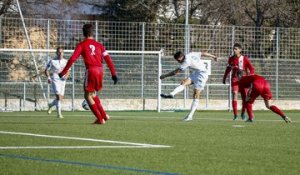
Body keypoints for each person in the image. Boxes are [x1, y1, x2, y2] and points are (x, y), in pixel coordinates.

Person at [59, 24, 118, 125]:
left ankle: (100, 119)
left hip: (91, 70)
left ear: (83, 33)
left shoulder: (81, 45)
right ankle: (104, 116)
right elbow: (108, 59)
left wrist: (64, 72)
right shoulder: (100, 45)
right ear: (92, 33)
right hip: (100, 70)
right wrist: (113, 73)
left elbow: (73, 58)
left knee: (87, 95)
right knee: (93, 94)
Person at [160, 51, 218, 121]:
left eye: (178, 60)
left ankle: (190, 116)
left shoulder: (186, 62)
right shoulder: (191, 54)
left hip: (202, 75)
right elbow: (203, 53)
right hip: (196, 73)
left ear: (181, 57)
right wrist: (213, 56)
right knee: (184, 82)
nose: (178, 62)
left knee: (196, 95)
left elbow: (175, 72)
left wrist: (165, 76)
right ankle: (172, 94)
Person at [222, 43, 255, 120]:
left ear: (240, 50)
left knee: (245, 98)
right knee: (235, 93)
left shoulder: (244, 59)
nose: (234, 50)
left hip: (244, 79)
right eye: (234, 48)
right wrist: (224, 78)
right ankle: (235, 115)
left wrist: (250, 76)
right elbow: (228, 69)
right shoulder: (231, 59)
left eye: (236, 49)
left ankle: (243, 112)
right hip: (235, 78)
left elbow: (252, 68)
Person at [44, 47, 70, 119]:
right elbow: (46, 70)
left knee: (61, 98)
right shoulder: (52, 61)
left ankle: (51, 105)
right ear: (56, 53)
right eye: (59, 52)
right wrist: (49, 78)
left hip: (63, 79)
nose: (60, 53)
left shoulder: (65, 61)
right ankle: (59, 114)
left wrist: (66, 76)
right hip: (55, 78)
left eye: (62, 52)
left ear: (63, 53)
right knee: (58, 96)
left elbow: (68, 70)